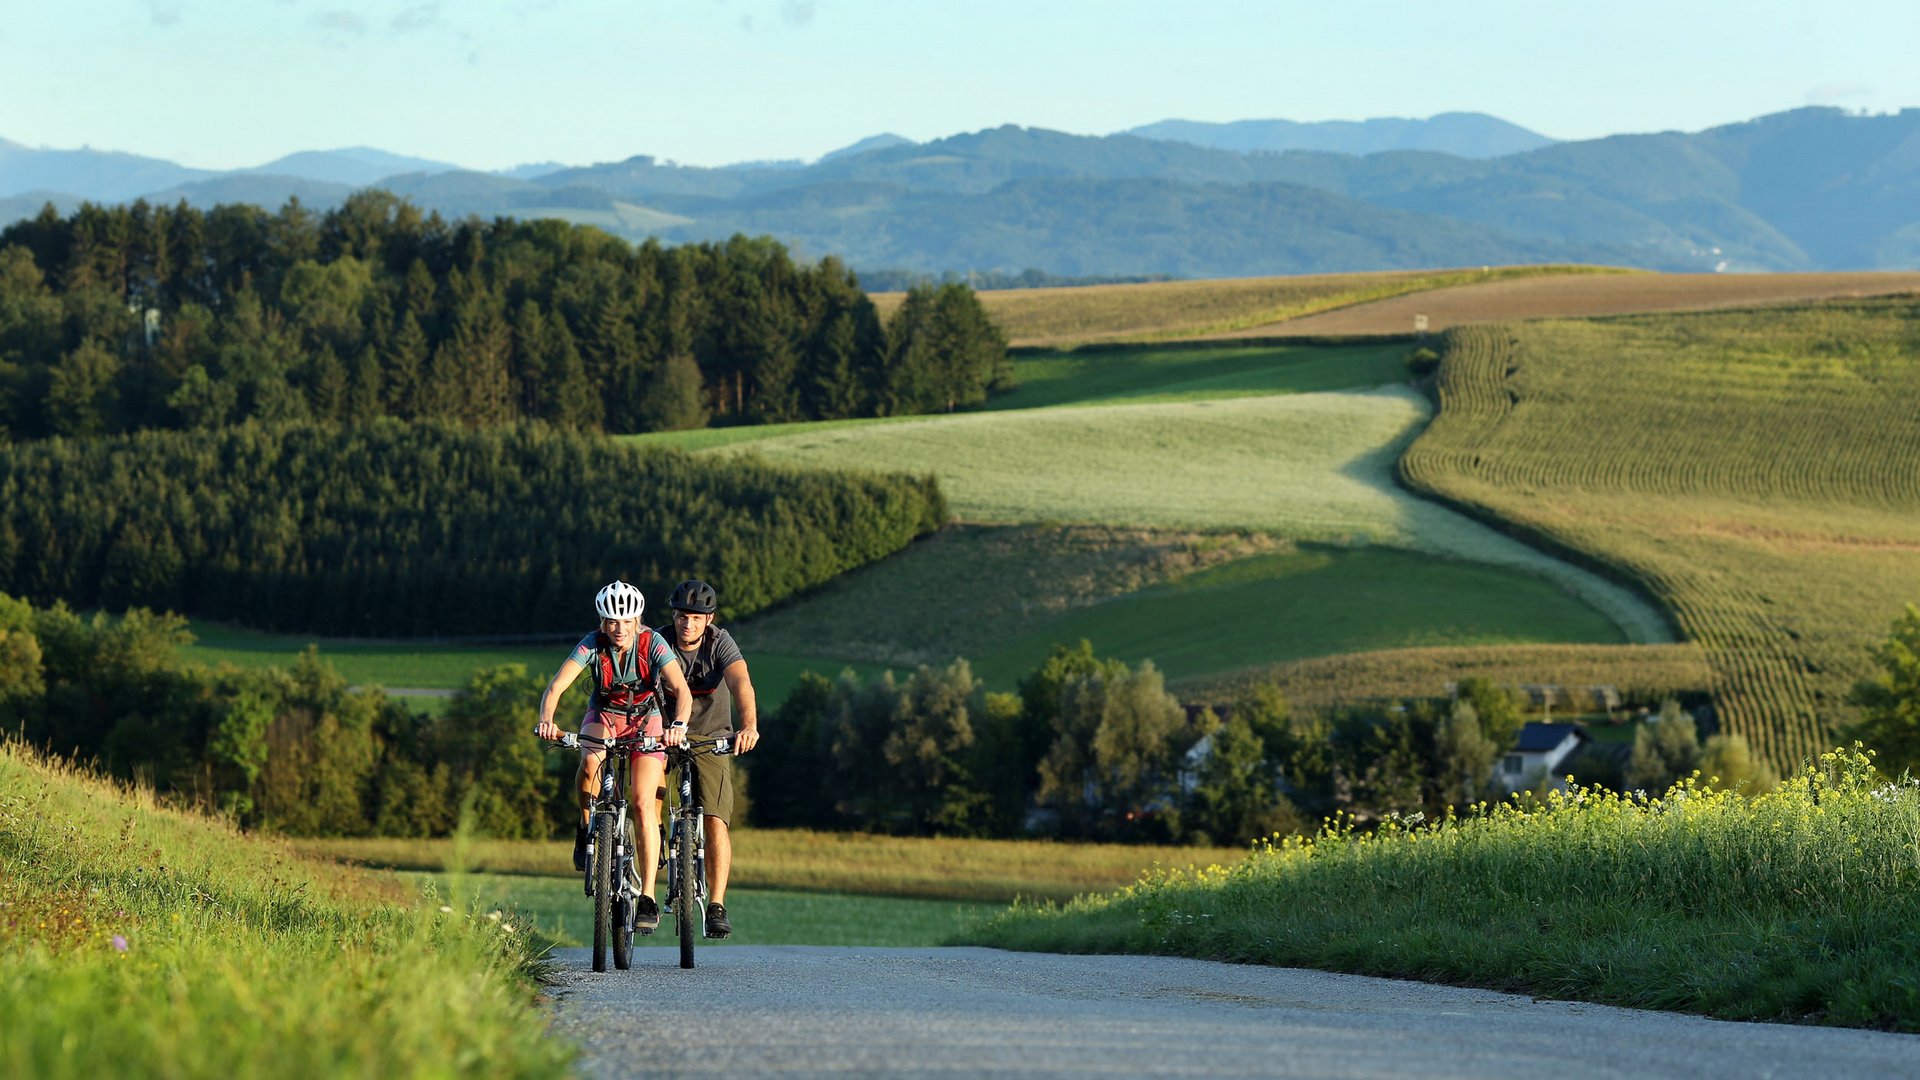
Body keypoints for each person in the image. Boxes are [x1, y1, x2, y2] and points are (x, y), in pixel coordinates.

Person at [536, 580, 692, 934]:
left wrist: (678, 724)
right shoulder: (591, 644)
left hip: (646, 720)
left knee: (641, 802)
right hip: (604, 715)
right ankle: (585, 821)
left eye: (625, 621)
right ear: (602, 621)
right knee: (589, 762)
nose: (618, 629)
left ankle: (648, 896)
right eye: (610, 621)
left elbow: (681, 690)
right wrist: (547, 720)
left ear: (637, 619)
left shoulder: (653, 643)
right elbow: (557, 685)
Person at [659, 578, 759, 938]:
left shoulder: (720, 642)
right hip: (663, 731)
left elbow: (741, 682)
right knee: (647, 796)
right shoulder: (657, 642)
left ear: (709, 619)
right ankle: (652, 838)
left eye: (696, 618)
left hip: (711, 737)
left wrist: (748, 726)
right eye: (681, 616)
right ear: (673, 616)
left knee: (716, 818)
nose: (687, 624)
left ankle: (716, 904)